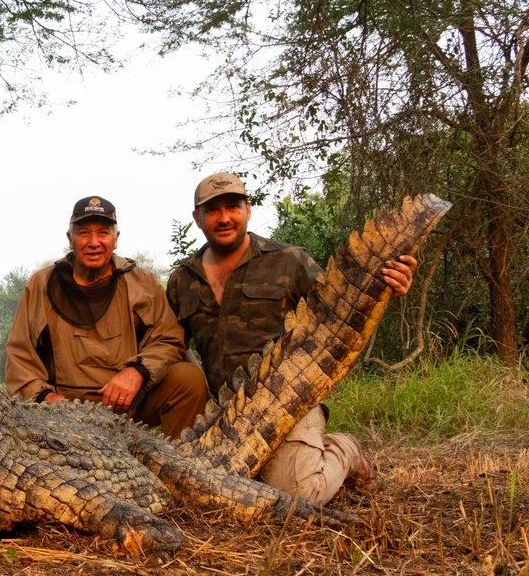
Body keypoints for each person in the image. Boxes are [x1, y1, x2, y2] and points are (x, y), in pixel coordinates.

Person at [166, 173, 417, 504]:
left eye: (233, 207)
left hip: (289, 403)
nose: (224, 217)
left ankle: (345, 448)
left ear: (248, 210)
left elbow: (341, 309)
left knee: (295, 493)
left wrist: (389, 288)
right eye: (212, 210)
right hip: (223, 412)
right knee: (201, 490)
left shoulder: (289, 260)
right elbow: (171, 345)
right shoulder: (182, 279)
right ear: (197, 218)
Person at [5, 196, 208, 440]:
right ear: (70, 239)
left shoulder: (141, 282)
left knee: (189, 380)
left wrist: (137, 372)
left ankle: (181, 465)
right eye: (83, 233)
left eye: (103, 233)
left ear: (115, 239)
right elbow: (20, 357)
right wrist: (47, 398)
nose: (93, 243)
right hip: (64, 410)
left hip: (129, 403)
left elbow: (169, 338)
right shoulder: (41, 284)